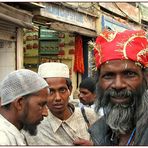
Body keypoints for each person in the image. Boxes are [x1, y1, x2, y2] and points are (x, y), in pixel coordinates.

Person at [73, 29, 148, 145]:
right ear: (98, 81)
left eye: (129, 74)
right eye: (109, 75)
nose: (118, 85)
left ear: (145, 78)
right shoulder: (101, 130)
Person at [22, 62, 97, 145]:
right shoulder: (31, 128)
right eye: (51, 91)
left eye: (62, 90)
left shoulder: (90, 116)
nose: (58, 98)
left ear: (70, 90)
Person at [0, 69, 49, 145]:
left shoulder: (12, 133)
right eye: (41, 105)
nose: (45, 113)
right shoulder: (3, 139)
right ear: (20, 103)